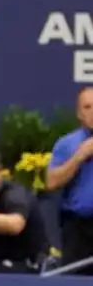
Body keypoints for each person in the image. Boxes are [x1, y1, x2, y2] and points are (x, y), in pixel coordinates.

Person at [46, 86, 93, 273]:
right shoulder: (67, 144)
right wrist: (78, 157)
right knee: (74, 283)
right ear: (79, 114)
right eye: (87, 107)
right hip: (78, 227)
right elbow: (52, 182)